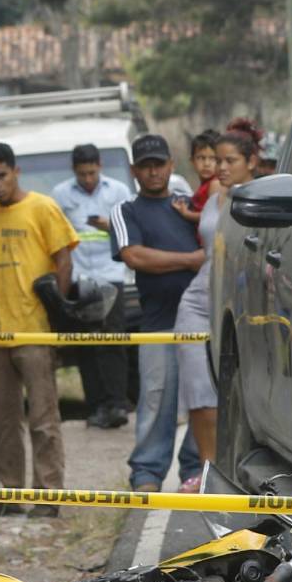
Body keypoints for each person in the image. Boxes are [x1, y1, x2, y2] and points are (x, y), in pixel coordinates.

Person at [0, 142, 77, 517]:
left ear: (16, 171)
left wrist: (56, 308)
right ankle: (10, 493)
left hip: (35, 330)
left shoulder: (43, 207)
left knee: (43, 419)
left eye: (1, 176)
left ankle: (49, 494)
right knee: (2, 421)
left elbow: (64, 259)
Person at [110, 134, 204, 492]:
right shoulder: (126, 211)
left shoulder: (189, 206)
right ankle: (147, 473)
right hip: (158, 324)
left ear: (171, 165)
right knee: (155, 401)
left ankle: (195, 471)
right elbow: (135, 256)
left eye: (159, 164)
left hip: (202, 322)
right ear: (134, 170)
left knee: (202, 401)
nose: (153, 172)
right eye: (146, 166)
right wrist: (190, 260)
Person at [173, 119, 261, 493]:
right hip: (199, 301)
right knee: (199, 391)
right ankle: (208, 473)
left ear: (251, 162)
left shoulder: (262, 200)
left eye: (230, 161)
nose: (221, 168)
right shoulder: (212, 199)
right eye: (217, 160)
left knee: (245, 391)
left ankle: (242, 472)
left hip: (244, 305)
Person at [50, 144, 133, 429]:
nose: (87, 179)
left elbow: (130, 228)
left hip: (111, 275)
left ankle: (117, 403)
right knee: (86, 344)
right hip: (79, 277)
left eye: (92, 173)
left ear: (100, 166)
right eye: (82, 174)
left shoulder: (118, 191)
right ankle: (96, 406)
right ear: (74, 170)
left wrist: (107, 225)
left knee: (114, 342)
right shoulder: (60, 194)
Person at [171, 130, 219, 225]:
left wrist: (187, 214)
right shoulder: (204, 185)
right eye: (201, 158)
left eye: (212, 158)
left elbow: (213, 217)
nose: (206, 164)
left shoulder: (215, 184)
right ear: (192, 161)